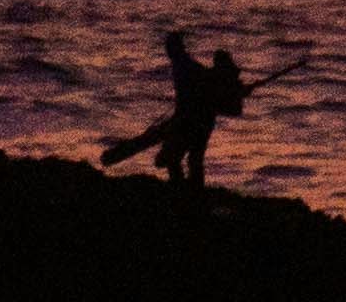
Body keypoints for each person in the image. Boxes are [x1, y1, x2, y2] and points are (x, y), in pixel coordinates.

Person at [95, 28, 260, 187]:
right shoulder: (184, 65)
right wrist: (236, 91)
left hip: (193, 121)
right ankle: (187, 189)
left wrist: (234, 90)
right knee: (186, 158)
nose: (168, 51)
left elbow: (207, 87)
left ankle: (184, 189)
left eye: (170, 47)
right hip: (194, 120)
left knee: (179, 158)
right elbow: (211, 88)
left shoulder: (185, 65)